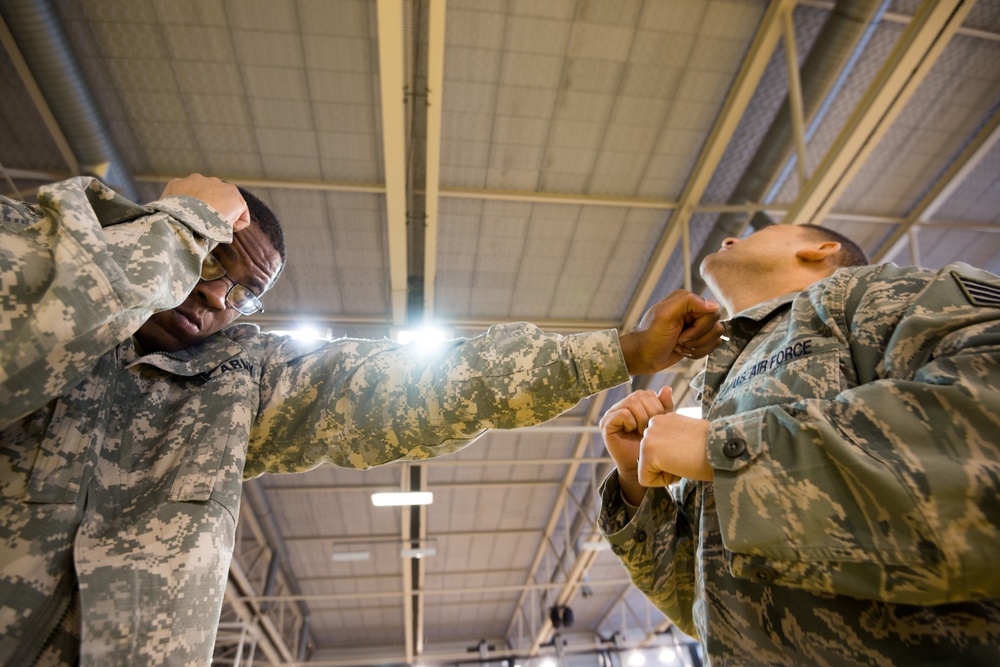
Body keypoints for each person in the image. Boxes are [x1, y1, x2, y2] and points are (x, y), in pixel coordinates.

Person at [0, 175, 723, 666]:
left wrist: (624, 350)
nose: (218, 298)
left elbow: (425, 386)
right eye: (211, 258)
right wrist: (175, 228)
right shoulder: (46, 237)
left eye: (245, 293)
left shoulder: (234, 379)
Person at [599, 222, 1000, 665]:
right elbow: (698, 604)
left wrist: (721, 449)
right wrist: (637, 489)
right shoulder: (722, 384)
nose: (729, 239)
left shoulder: (882, 293)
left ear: (820, 249)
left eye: (759, 231)